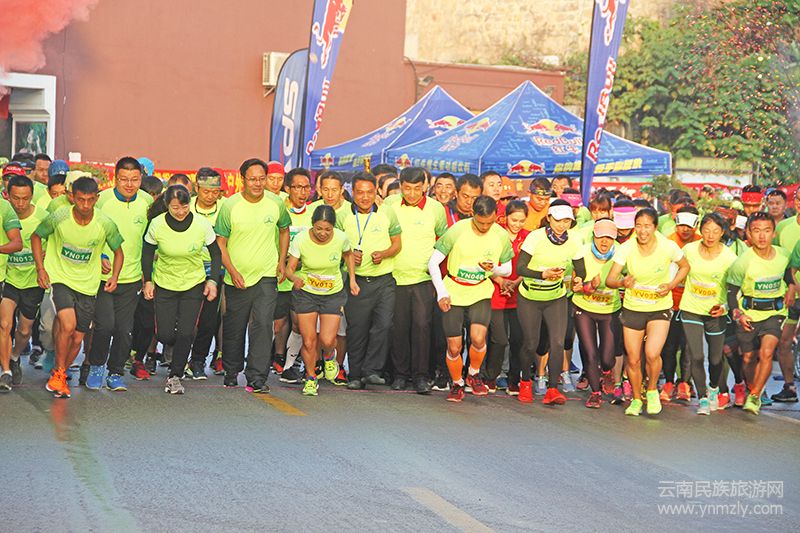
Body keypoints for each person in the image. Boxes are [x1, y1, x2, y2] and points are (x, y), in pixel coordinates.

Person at [31, 177, 123, 399]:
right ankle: (60, 374)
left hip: (88, 284)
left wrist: (114, 276)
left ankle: (59, 373)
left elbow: (118, 252)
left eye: (90, 200)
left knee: (78, 337)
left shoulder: (105, 223)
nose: (85, 205)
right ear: (72, 197)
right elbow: (36, 236)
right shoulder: (59, 217)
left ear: (97, 199)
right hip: (60, 277)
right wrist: (41, 269)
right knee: (68, 324)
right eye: (81, 199)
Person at [215, 158, 290, 392]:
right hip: (237, 277)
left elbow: (284, 230)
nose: (257, 184)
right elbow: (220, 242)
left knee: (263, 325)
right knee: (235, 326)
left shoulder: (276, 203)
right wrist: (232, 270)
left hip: (266, 275)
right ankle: (231, 370)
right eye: (252, 179)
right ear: (243, 180)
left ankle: (257, 376)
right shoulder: (230, 206)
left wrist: (281, 261)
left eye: (261, 179)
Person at [606, 207, 690, 416]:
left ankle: (652, 390)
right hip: (633, 307)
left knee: (652, 353)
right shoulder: (627, 248)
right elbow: (610, 279)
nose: (642, 231)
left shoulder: (667, 246)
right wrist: (622, 282)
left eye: (647, 226)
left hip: (659, 306)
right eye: (638, 226)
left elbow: (685, 267)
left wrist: (671, 285)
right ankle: (636, 399)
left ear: (655, 227)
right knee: (633, 359)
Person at [428, 195, 513, 402]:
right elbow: (433, 263)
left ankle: (473, 374)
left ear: (496, 216)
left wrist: (493, 268)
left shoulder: (500, 234)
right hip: (454, 290)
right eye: (480, 222)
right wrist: (442, 292)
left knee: (478, 338)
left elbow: (507, 269)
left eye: (489, 223)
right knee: (454, 347)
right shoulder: (457, 230)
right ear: (472, 214)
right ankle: (457, 383)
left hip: (480, 291)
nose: (484, 227)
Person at [141, 185, 221, 394]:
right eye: (175, 207)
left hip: (193, 284)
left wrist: (212, 281)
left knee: (186, 332)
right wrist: (148, 281)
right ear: (167, 205)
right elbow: (147, 253)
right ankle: (174, 345)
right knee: (165, 334)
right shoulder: (157, 224)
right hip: (165, 284)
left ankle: (175, 376)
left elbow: (216, 254)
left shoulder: (201, 225)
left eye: (184, 207)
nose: (180, 212)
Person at [86, 157, 152, 391]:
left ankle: (115, 372)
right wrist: (100, 256)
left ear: (141, 179)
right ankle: (96, 367)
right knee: (104, 326)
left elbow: (149, 241)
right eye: (124, 179)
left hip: (132, 277)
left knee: (125, 330)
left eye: (134, 179)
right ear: (115, 178)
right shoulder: (102, 200)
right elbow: (89, 231)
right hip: (103, 276)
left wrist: (147, 275)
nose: (129, 184)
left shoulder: (146, 202)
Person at [515, 199, 586, 404]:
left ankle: (553, 389)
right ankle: (525, 382)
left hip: (556, 297)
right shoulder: (535, 237)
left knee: (557, 343)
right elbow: (520, 268)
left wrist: (579, 280)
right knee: (531, 343)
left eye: (566, 221)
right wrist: (542, 274)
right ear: (549, 218)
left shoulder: (574, 240)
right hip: (530, 297)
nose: (562, 225)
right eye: (558, 220)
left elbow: (581, 270)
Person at [384, 167, 447, 391]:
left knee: (422, 326)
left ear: (425, 187)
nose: (411, 194)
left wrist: (439, 280)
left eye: (417, 189)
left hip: (423, 278)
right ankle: (400, 374)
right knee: (398, 327)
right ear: (400, 186)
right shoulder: (389, 205)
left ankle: (421, 376)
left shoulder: (436, 209)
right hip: (395, 276)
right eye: (407, 188)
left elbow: (443, 242)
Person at [285, 205, 359, 396]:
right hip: (306, 293)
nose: (323, 233)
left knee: (327, 339)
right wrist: (294, 278)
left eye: (328, 229)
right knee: (309, 341)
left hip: (332, 293)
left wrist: (352, 279)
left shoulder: (341, 238)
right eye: (318, 228)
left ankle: (329, 356)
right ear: (312, 225)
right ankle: (311, 378)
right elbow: (289, 268)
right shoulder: (301, 239)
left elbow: (349, 255)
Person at [337, 172, 401, 390]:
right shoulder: (342, 215)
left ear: (376, 192)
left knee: (384, 325)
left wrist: (384, 253)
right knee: (357, 329)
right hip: (356, 282)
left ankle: (372, 370)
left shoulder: (387, 212)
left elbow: (397, 244)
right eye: (360, 193)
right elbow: (334, 245)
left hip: (384, 281)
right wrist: (348, 256)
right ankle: (355, 375)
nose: (365, 197)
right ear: (352, 192)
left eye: (369, 192)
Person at [728, 212, 792, 415]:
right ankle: (752, 387)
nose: (762, 236)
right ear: (748, 233)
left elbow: (789, 275)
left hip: (775, 313)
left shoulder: (784, 255)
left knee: (766, 353)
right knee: (748, 358)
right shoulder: (742, 262)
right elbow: (731, 292)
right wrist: (739, 315)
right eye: (756, 231)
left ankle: (755, 395)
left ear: (774, 233)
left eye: (767, 230)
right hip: (749, 313)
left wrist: (791, 288)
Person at [680, 213, 738, 415]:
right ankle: (703, 398)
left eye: (715, 231)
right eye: (706, 230)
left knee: (715, 359)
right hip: (691, 308)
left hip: (716, 313)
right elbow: (674, 270)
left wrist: (725, 307)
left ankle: (713, 389)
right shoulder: (689, 250)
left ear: (722, 232)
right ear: (700, 231)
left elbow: (736, 288)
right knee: (696, 355)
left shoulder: (730, 257)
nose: (710, 236)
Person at [571, 218, 621, 408]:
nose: (604, 241)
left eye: (609, 237)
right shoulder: (582, 253)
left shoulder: (621, 254)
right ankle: (595, 393)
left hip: (610, 309)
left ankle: (606, 372)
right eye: (601, 237)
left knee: (607, 358)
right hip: (584, 308)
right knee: (591, 353)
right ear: (593, 236)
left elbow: (630, 276)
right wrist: (587, 286)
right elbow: (574, 285)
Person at [484, 200, 529, 395]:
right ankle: (491, 377)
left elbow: (532, 264)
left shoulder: (529, 237)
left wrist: (515, 282)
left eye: (521, 221)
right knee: (499, 339)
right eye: (514, 220)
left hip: (519, 295)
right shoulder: (495, 234)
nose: (517, 224)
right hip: (496, 294)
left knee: (518, 339)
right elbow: (484, 263)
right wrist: (501, 281)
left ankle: (513, 379)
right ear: (506, 217)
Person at [660, 205, 701, 403]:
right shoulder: (668, 243)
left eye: (689, 226)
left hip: (693, 303)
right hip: (670, 301)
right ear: (675, 224)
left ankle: (684, 382)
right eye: (681, 225)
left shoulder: (701, 243)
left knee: (689, 346)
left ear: (696, 225)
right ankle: (669, 382)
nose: (685, 230)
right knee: (669, 345)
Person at [277, 168, 315, 384]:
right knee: (275, 326)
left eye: (306, 187)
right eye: (298, 187)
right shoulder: (279, 211)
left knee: (299, 324)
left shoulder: (314, 214)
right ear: (287, 188)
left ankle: (290, 366)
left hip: (303, 280)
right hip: (280, 278)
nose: (303, 192)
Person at [188, 168, 226, 378]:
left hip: (216, 268)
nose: (211, 196)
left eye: (215, 192)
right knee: (187, 317)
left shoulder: (226, 208)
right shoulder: (186, 206)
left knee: (209, 319)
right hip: (188, 268)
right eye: (206, 191)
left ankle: (198, 360)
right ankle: (179, 358)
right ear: (197, 188)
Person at [0, 177, 30, 392]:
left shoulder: (5, 208)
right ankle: (6, 371)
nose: (20, 203)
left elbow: (17, 243)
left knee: (18, 328)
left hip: (9, 278)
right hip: (10, 280)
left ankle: (8, 366)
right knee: (5, 324)